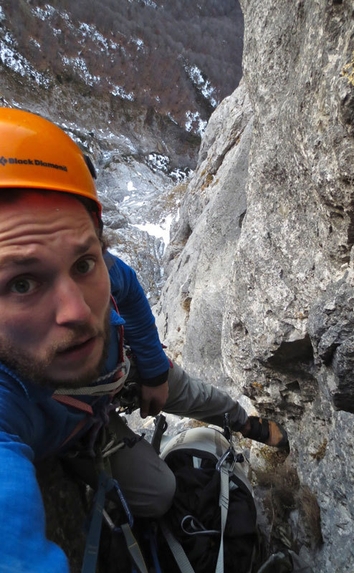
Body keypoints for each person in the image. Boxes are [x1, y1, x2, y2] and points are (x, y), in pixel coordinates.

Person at [0, 108, 289, 572]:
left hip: (121, 369)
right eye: (21, 284)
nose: (75, 312)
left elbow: (129, 289)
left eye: (83, 264)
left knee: (195, 393)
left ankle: (250, 425)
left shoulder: (104, 270)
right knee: (159, 494)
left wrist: (152, 371)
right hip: (82, 432)